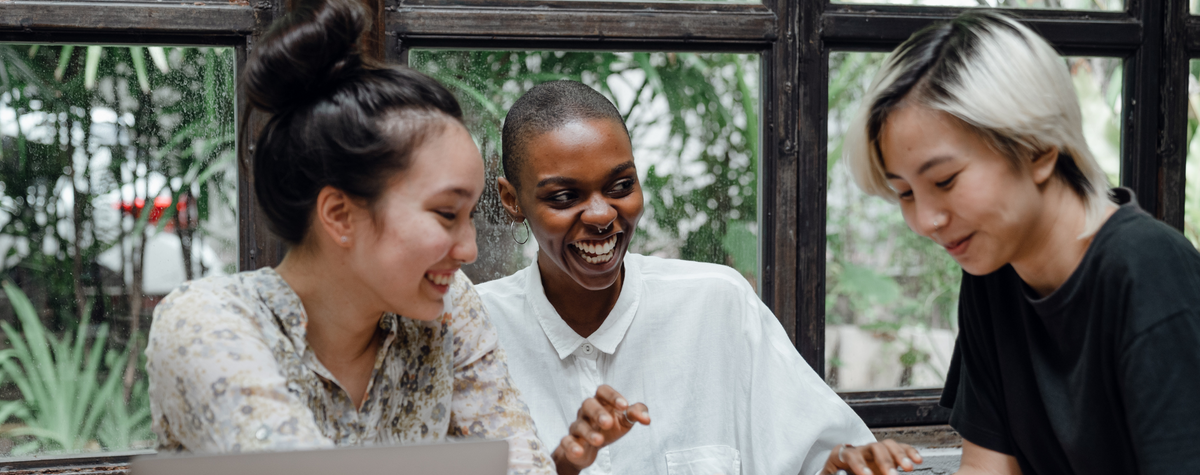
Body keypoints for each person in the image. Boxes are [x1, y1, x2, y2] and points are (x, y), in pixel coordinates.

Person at [143, 2, 645, 474]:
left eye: (470, 215)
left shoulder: (449, 309)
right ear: (339, 214)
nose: (468, 249)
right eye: (446, 214)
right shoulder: (209, 325)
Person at [476, 80, 923, 475]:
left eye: (620, 186)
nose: (601, 214)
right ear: (512, 200)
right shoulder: (475, 332)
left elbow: (818, 457)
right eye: (564, 196)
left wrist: (842, 465)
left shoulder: (717, 305)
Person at [842, 11, 1200, 475]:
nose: (926, 220)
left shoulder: (1150, 274)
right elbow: (988, 468)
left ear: (1036, 148)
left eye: (945, 180)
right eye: (905, 193)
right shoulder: (993, 269)